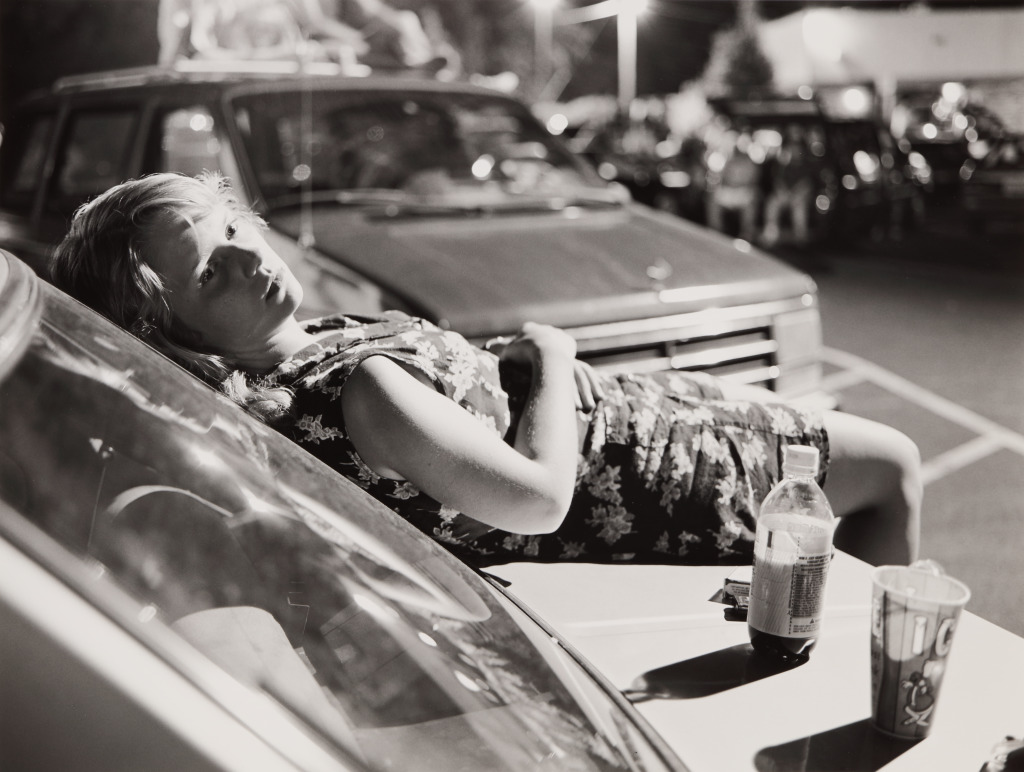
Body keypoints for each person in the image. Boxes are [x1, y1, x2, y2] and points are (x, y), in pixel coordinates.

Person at [49, 172, 922, 568]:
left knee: (868, 462)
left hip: (639, 421)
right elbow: (540, 502)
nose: (248, 257)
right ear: (177, 337)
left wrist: (501, 370)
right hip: (651, 466)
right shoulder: (362, 389)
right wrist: (552, 355)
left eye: (232, 228)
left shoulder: (304, 363)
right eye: (210, 272)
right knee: (892, 463)